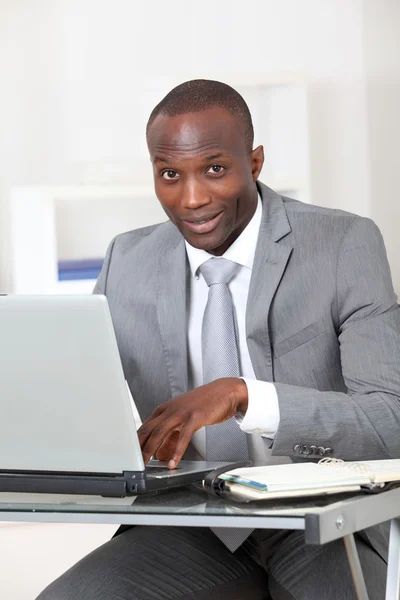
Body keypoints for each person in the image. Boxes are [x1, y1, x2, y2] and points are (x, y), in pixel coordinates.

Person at [37, 79, 400, 600]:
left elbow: (390, 417)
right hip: (192, 524)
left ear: (253, 163)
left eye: (214, 168)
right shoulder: (128, 260)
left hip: (324, 519)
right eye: (169, 174)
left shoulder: (343, 244)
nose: (192, 198)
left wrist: (242, 395)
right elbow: (85, 405)